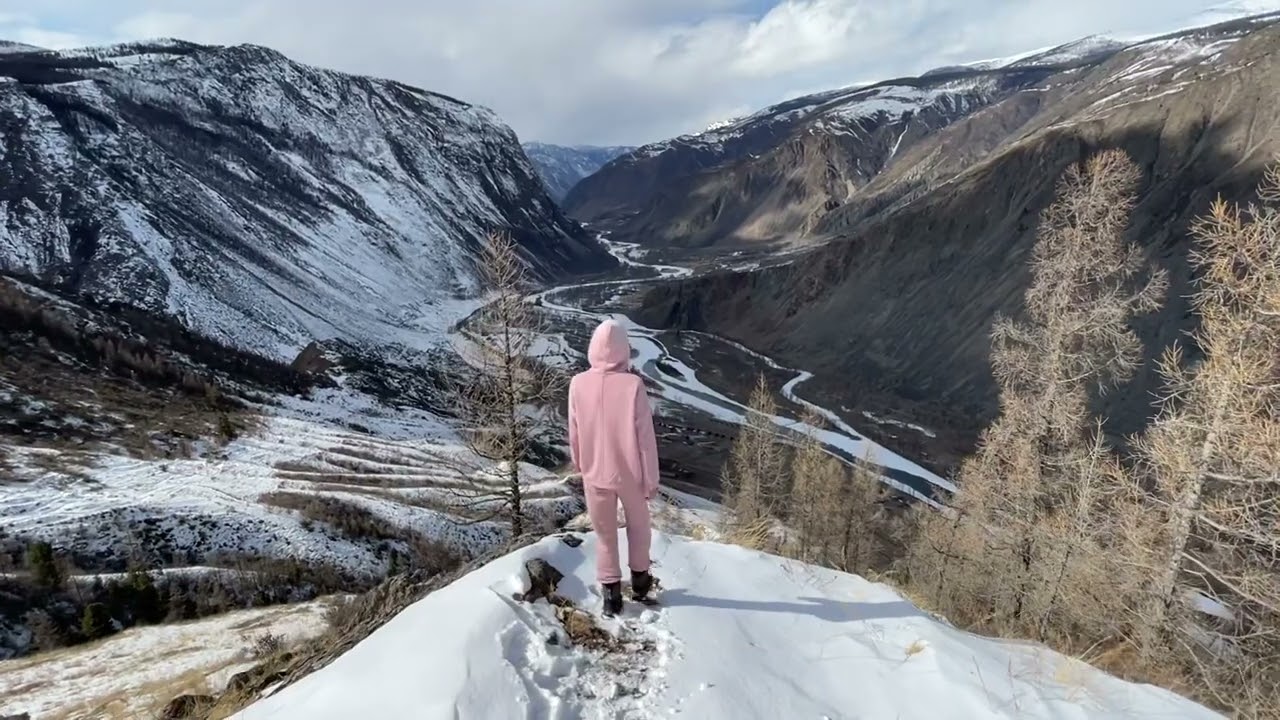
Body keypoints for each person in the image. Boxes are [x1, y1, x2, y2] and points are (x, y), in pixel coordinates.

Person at [567, 318, 660, 616]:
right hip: (630, 473)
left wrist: (581, 463)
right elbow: (645, 439)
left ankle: (611, 595)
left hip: (594, 472)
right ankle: (641, 583)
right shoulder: (634, 385)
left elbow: (575, 430)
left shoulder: (578, 383)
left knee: (605, 533)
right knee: (639, 527)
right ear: (624, 350)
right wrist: (651, 480)